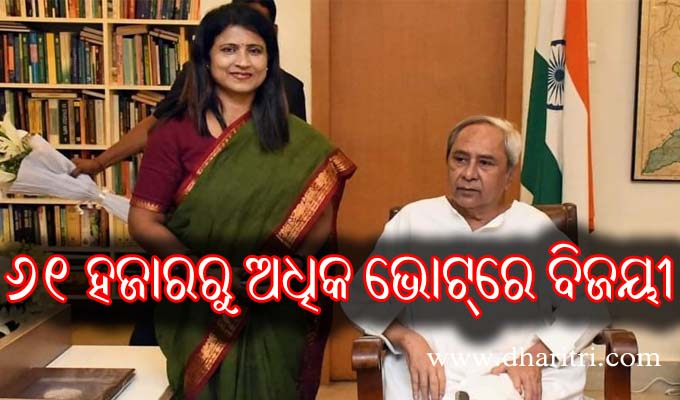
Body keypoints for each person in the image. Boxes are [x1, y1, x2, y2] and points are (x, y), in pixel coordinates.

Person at [128, 4, 355, 399]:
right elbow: (144, 221)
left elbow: (317, 212)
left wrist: (277, 273)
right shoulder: (174, 133)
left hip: (275, 300)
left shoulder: (298, 139)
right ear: (206, 58)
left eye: (255, 50)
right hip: (199, 297)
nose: (243, 62)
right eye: (228, 49)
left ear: (270, 60)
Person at [342, 115, 607, 400]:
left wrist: (535, 355)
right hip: (431, 385)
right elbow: (360, 298)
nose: (468, 174)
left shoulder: (534, 228)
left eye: (485, 163)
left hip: (511, 384)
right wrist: (407, 339)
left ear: (509, 174)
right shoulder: (414, 221)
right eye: (460, 159)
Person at [70, 0, 306, 177]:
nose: (242, 60)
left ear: (272, 34)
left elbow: (296, 159)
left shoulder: (290, 89)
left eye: (256, 29)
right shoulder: (194, 76)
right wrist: (99, 163)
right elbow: (157, 124)